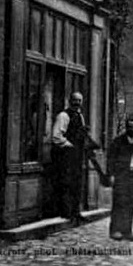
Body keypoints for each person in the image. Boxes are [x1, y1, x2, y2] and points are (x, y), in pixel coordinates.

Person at [51, 92, 89, 222]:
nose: (77, 103)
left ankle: (75, 211)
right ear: (69, 100)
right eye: (75, 100)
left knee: (76, 182)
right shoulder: (63, 116)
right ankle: (66, 212)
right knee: (66, 182)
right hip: (66, 154)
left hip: (77, 155)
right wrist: (69, 144)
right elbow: (56, 136)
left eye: (79, 100)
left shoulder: (80, 116)